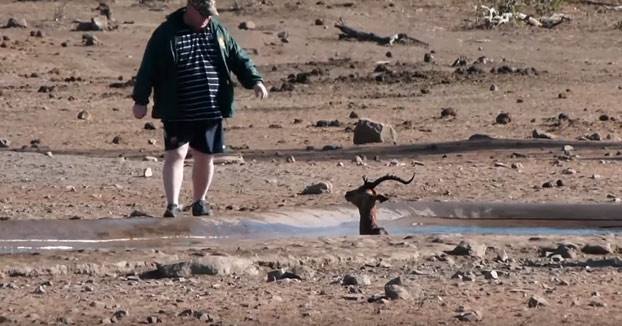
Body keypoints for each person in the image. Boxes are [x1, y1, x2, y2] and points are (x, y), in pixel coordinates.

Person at [131, 0, 268, 218]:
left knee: (205, 156)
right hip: (177, 108)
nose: (208, 17)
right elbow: (149, 67)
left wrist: (255, 80)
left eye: (210, 13)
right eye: (203, 13)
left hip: (211, 108)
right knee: (176, 154)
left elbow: (237, 57)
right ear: (190, 8)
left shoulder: (218, 31)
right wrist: (140, 100)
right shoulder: (166, 33)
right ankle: (172, 205)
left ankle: (199, 201)